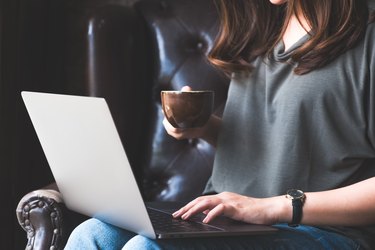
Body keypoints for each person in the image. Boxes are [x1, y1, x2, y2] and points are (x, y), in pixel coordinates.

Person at [65, 0, 375, 249]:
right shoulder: (261, 28)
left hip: (323, 231)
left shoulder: (367, 38)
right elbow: (284, 138)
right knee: (91, 235)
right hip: (224, 219)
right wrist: (204, 127)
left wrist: (273, 207)